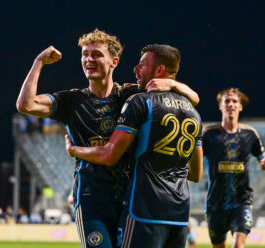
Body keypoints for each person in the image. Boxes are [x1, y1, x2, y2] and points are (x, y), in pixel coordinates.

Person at [16, 29, 199, 248]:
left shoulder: (132, 95)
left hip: (128, 198)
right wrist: (38, 62)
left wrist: (173, 84)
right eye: (85, 54)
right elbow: (25, 105)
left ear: (114, 61)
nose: (88, 60)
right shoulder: (71, 100)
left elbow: (192, 100)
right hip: (92, 197)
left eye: (96, 54)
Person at [65, 44, 203, 248]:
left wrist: (74, 150)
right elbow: (196, 174)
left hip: (144, 210)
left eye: (142, 65)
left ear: (159, 71)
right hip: (179, 214)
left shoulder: (140, 102)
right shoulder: (194, 112)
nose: (136, 69)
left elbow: (111, 154)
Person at [202, 88, 265, 248]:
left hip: (241, 202)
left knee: (238, 245)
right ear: (220, 106)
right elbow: (193, 161)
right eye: (226, 101)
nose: (231, 104)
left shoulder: (250, 134)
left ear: (241, 106)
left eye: (235, 101)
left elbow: (263, 161)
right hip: (215, 204)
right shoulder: (208, 134)